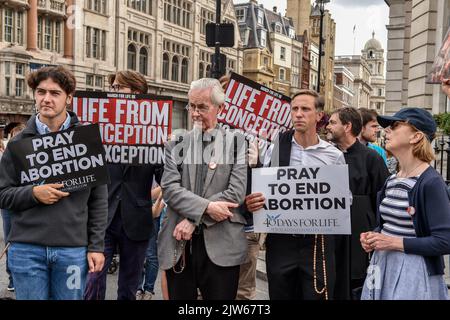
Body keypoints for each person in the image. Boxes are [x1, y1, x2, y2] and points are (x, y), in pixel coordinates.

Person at [0, 66, 108, 300]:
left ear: (69, 97)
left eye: (55, 93)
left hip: (71, 250)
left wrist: (96, 246)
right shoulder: (18, 144)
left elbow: (99, 200)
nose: (46, 99)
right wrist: (33, 193)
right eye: (41, 92)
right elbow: (3, 194)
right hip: (27, 249)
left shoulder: (87, 141)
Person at [245, 89, 349, 300]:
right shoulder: (277, 148)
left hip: (317, 242)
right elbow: (264, 191)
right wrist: (254, 201)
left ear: (319, 115)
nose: (298, 114)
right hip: (282, 242)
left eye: (305, 109)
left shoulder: (333, 155)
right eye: (294, 109)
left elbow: (344, 199)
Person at [158, 78, 248, 300]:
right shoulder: (175, 143)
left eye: (202, 107)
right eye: (192, 106)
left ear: (220, 108)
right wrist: (206, 207)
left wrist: (193, 219)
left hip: (222, 245)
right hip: (179, 244)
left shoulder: (237, 143)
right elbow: (169, 188)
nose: (195, 113)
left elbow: (235, 193)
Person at [84, 70, 163, 300]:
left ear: (136, 93)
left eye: (119, 88)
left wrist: (166, 151)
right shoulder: (100, 128)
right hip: (102, 218)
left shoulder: (153, 132)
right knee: (93, 281)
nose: (113, 92)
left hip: (136, 219)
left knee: (128, 286)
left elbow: (166, 176)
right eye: (113, 88)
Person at [360, 107, 450, 300]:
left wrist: (392, 242)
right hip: (381, 265)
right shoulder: (392, 180)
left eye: (395, 125)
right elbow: (388, 226)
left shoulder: (430, 182)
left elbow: (445, 241)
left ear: (416, 137)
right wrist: (374, 236)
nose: (386, 130)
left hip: (415, 272)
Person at [326, 107, 389, 297]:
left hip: (359, 238)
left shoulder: (372, 158)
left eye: (332, 122)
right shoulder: (325, 155)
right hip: (331, 236)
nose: (327, 126)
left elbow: (382, 200)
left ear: (347, 126)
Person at [1, 122, 26, 293]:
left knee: (14, 239)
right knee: (12, 239)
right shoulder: (8, 154)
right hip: (11, 203)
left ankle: (15, 277)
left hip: (24, 201)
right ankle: (12, 278)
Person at [136, 184, 166, 300]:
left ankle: (148, 290)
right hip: (137, 210)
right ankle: (138, 289)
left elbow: (165, 185)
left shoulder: (160, 167)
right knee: (137, 254)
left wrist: (141, 196)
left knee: (151, 254)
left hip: (156, 208)